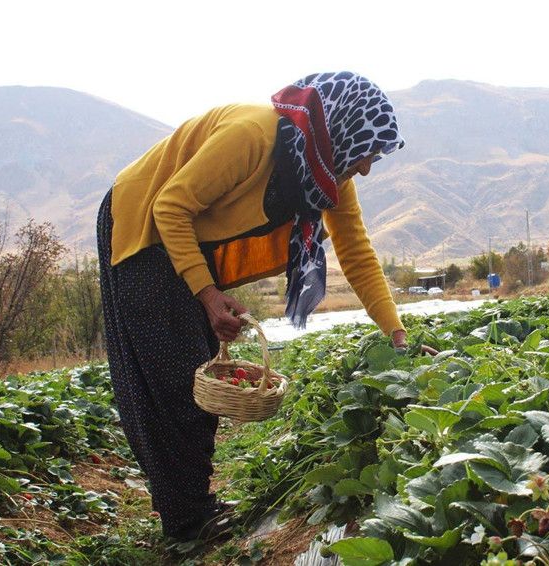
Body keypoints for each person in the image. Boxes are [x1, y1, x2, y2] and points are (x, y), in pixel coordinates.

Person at [96, 72, 410, 541]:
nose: (365, 167)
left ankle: (191, 504)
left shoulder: (329, 176)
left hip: (186, 238)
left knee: (200, 371)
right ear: (340, 128)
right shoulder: (253, 135)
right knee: (176, 377)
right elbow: (170, 206)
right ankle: (188, 520)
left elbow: (357, 253)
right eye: (367, 150)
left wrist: (397, 335)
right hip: (142, 222)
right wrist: (207, 294)